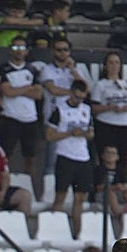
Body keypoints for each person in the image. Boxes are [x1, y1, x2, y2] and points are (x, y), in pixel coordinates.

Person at [45, 79, 93, 237]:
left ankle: (77, 233)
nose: (79, 101)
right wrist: (70, 133)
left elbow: (91, 133)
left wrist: (84, 133)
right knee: (61, 197)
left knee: (80, 199)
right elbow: (49, 135)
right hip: (65, 157)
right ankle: (52, 231)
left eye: (82, 98)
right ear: (71, 93)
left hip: (83, 157)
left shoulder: (86, 109)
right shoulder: (60, 110)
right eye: (76, 97)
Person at [0, 36, 43, 189]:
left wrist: (17, 90)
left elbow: (38, 94)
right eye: (15, 48)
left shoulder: (32, 69)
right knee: (5, 156)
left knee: (30, 157)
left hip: (30, 119)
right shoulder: (4, 68)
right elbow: (7, 92)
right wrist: (27, 88)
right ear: (11, 49)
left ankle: (29, 186)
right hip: (10, 118)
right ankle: (3, 185)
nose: (18, 51)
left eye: (21, 48)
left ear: (27, 51)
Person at [39, 38, 88, 169]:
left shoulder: (75, 71)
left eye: (65, 50)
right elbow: (52, 89)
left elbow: (84, 89)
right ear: (53, 51)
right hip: (54, 118)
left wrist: (73, 70)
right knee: (52, 160)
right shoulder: (47, 69)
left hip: (74, 119)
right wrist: (72, 92)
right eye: (59, 50)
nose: (62, 53)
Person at [89, 51, 127, 161]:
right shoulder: (100, 84)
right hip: (106, 124)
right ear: (106, 65)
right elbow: (93, 108)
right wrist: (110, 108)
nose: (114, 66)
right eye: (111, 62)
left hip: (125, 125)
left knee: (125, 158)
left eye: (117, 63)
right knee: (107, 158)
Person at [93, 143, 127, 219]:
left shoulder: (120, 170)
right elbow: (99, 187)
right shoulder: (99, 170)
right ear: (102, 156)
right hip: (103, 194)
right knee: (111, 193)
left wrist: (122, 187)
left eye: (113, 153)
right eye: (108, 153)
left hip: (118, 193)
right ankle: (118, 213)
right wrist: (114, 187)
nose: (110, 155)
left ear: (117, 157)